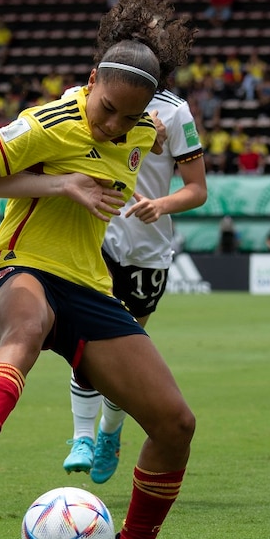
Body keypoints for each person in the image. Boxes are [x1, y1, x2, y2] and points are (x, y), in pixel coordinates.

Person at [0, 0, 203, 539]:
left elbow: (150, 138)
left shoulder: (144, 129)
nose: (114, 125)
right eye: (108, 109)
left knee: (175, 423)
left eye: (130, 116)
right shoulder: (49, 121)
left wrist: (145, 132)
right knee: (26, 328)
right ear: (91, 81)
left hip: (89, 286)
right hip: (20, 267)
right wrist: (60, 183)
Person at [62, 80, 208, 484]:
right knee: (88, 341)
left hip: (148, 251)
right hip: (95, 237)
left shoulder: (175, 111)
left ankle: (109, 431)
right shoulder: (81, 97)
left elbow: (197, 190)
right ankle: (82, 436)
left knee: (123, 358)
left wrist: (160, 205)